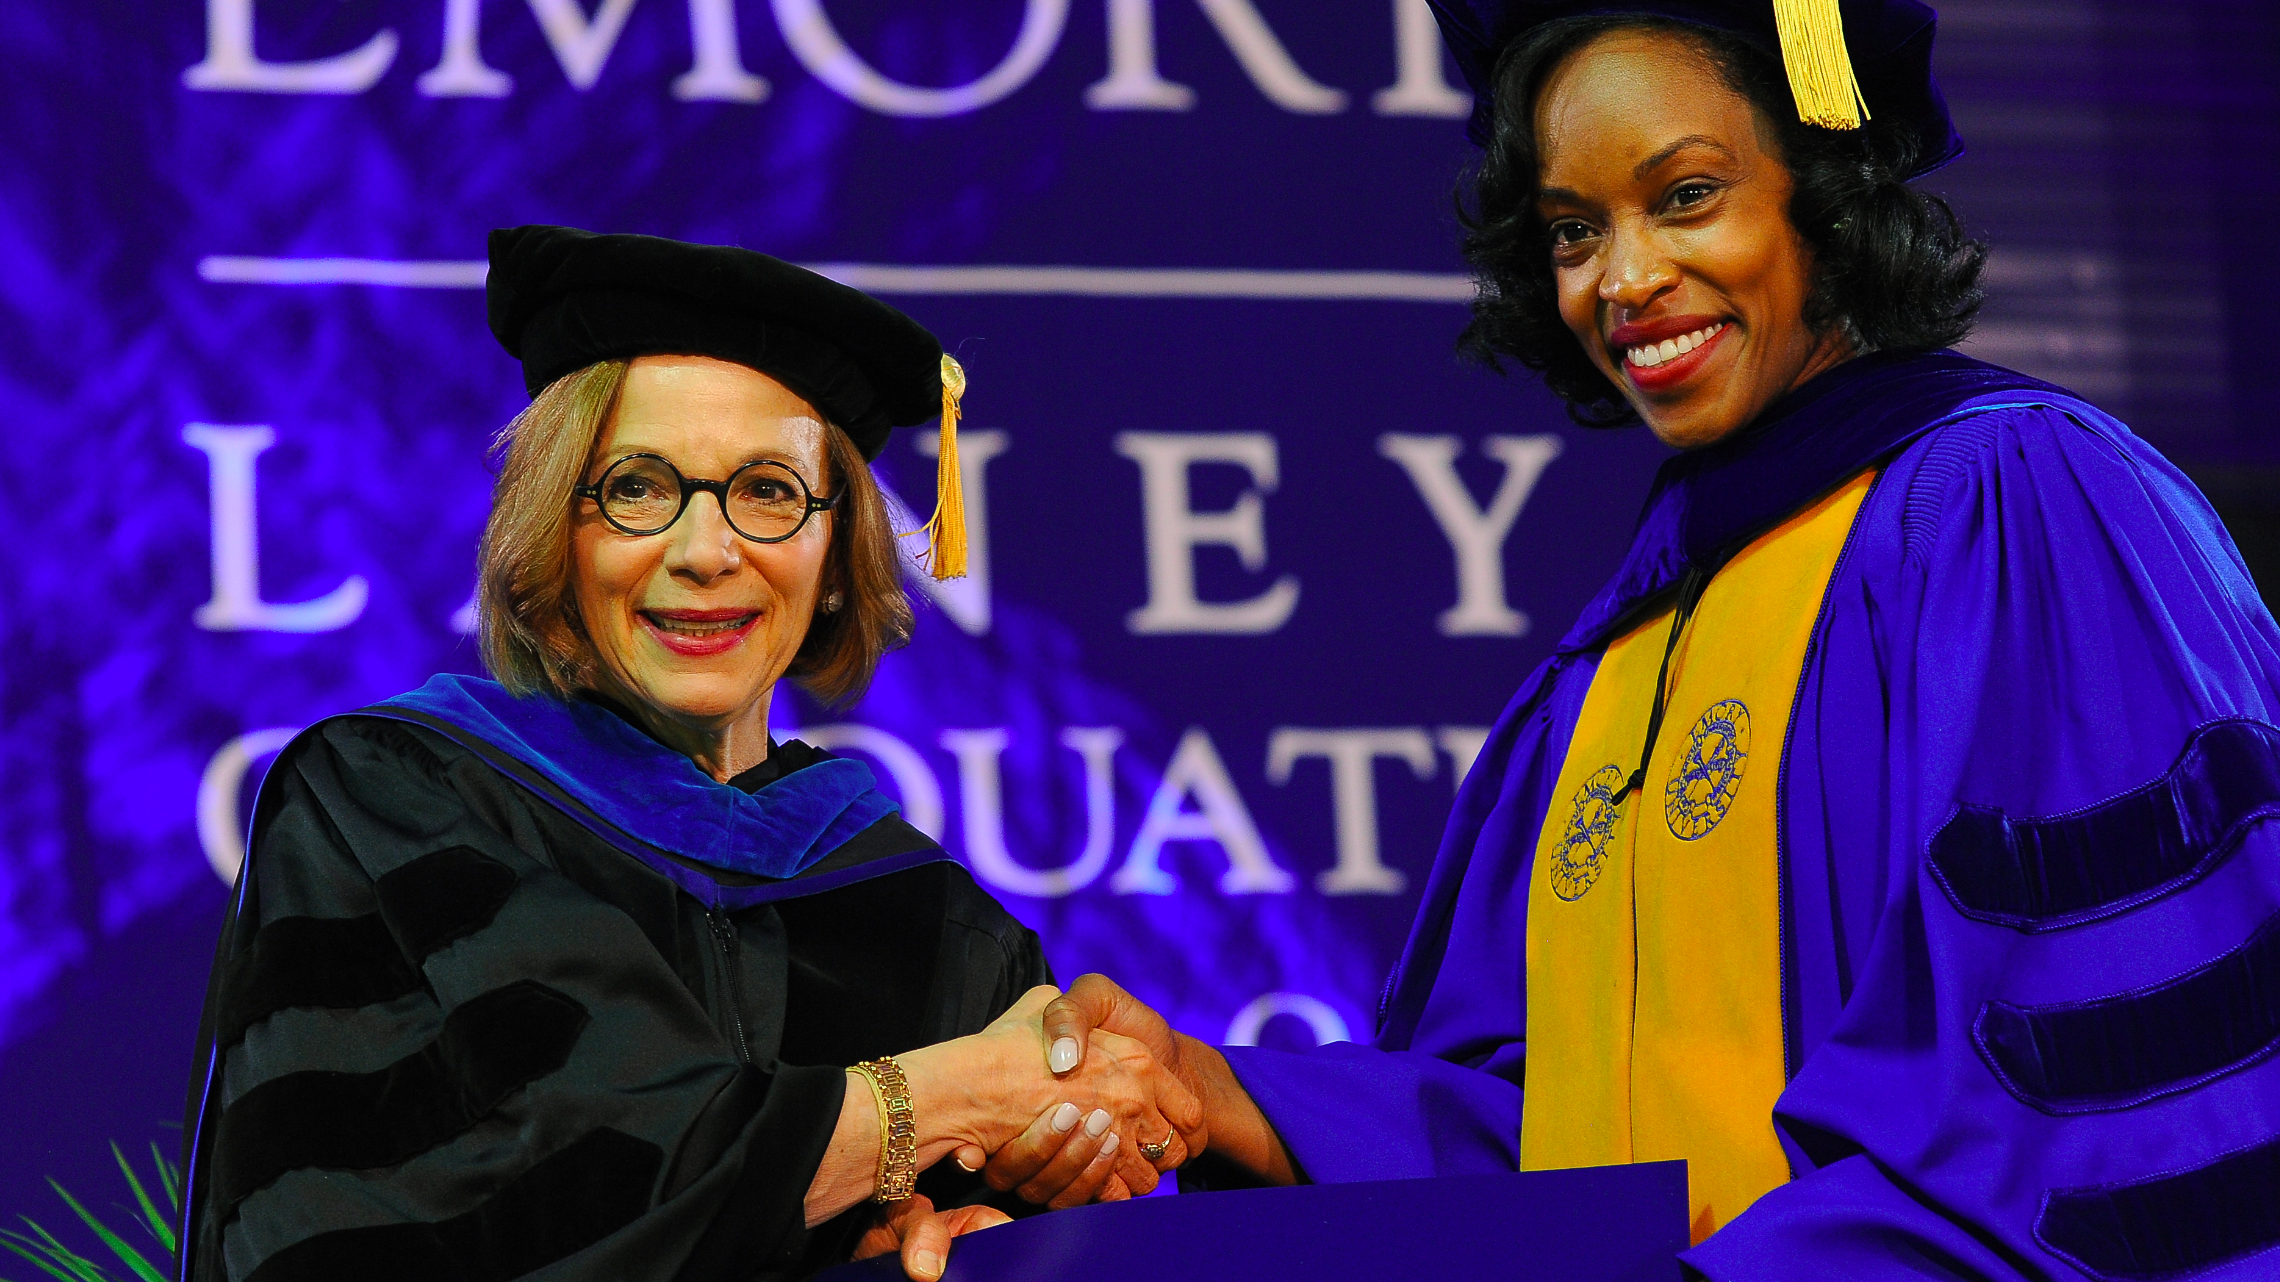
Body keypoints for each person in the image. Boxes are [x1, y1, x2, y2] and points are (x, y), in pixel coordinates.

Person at [981, 1, 2280, 1277]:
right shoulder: (1619, 655)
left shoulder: (2009, 504)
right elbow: (1559, 1167)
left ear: (1826, 200)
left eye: (1687, 195)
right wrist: (1223, 1097)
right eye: (1572, 230)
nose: (1628, 277)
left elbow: (2072, 1104)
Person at [175, 226, 1197, 1282]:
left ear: (837, 559)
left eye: (767, 490)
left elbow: (996, 1203)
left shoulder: (929, 919)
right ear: (554, 541)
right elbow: (590, 1165)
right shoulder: (395, 802)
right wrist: (948, 1098)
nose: (705, 551)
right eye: (637, 487)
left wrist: (972, 1232)